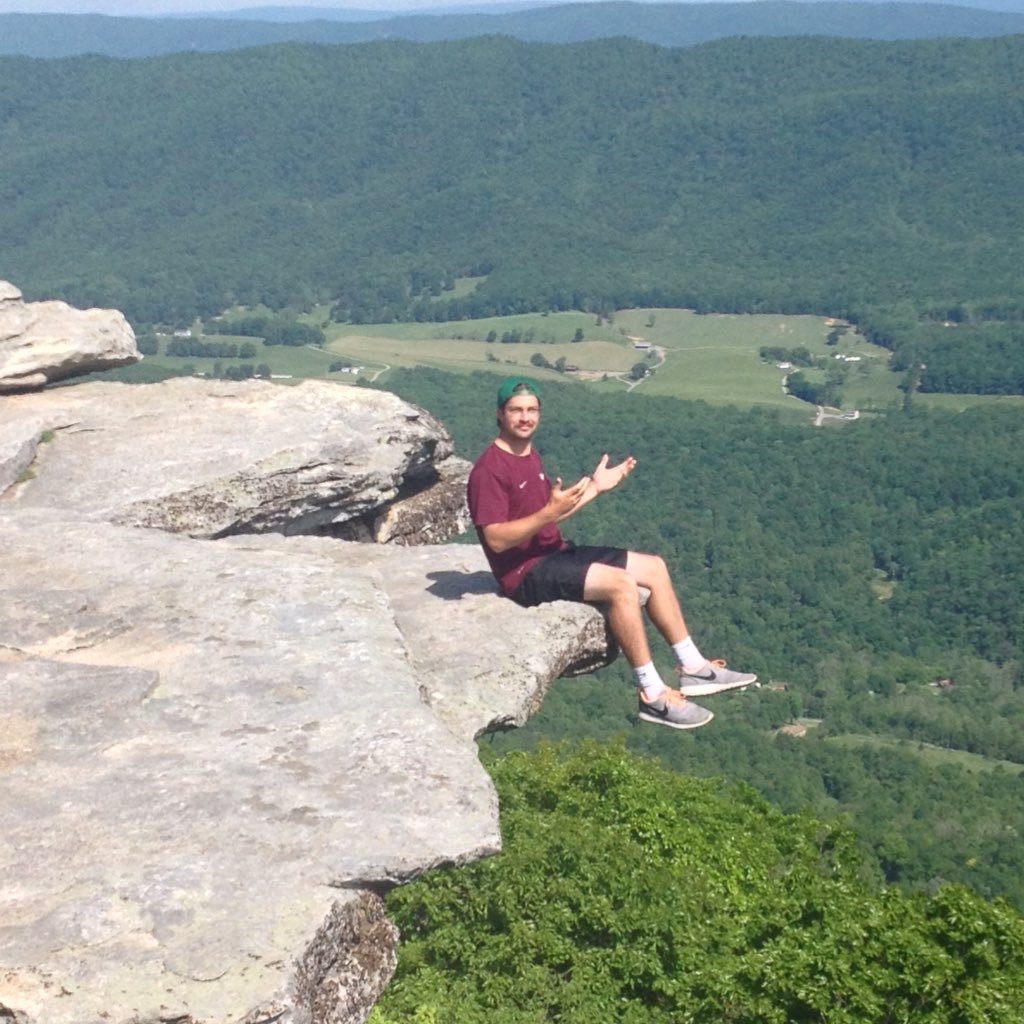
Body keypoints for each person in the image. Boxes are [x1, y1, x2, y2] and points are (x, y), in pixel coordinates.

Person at [466, 376, 757, 730]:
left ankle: (695, 668)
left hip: (553, 552)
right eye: (516, 410)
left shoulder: (529, 455)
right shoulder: (489, 469)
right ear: (500, 414)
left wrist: (595, 488)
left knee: (653, 567)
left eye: (532, 410)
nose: (525, 417)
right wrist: (546, 514)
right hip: (524, 573)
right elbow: (495, 539)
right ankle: (651, 695)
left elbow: (551, 515)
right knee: (622, 586)